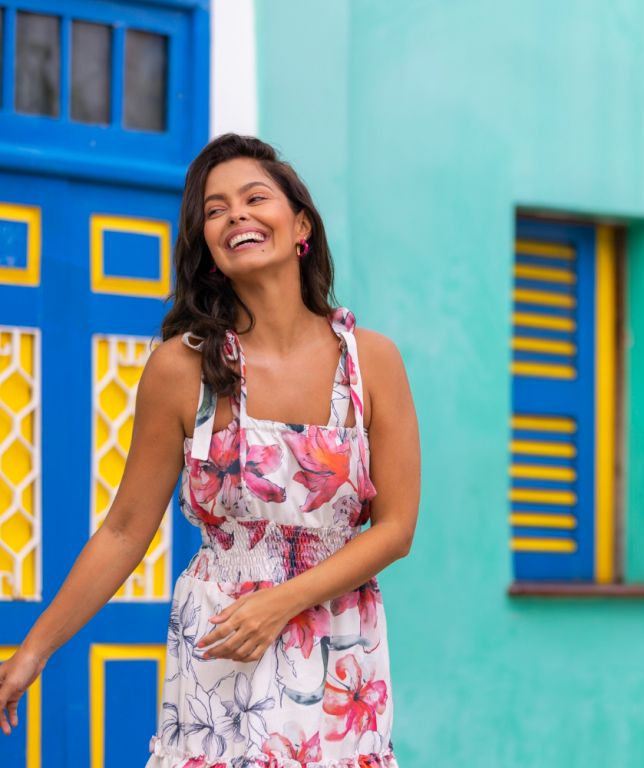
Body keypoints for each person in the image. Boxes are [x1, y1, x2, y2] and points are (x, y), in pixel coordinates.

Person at [0, 134, 420, 766]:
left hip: (338, 655)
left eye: (256, 198)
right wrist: (31, 653)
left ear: (300, 224)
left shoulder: (372, 363)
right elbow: (123, 530)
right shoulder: (183, 368)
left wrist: (282, 602)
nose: (237, 215)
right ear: (209, 250)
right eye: (216, 210)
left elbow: (395, 529)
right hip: (221, 650)